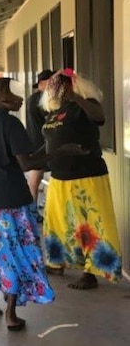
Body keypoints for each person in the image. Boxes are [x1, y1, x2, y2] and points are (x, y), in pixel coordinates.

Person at [0, 77, 83, 332]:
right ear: (2, 96)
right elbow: (27, 164)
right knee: (16, 253)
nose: (23, 99)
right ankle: (11, 313)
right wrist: (62, 150)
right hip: (11, 202)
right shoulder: (11, 124)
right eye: (17, 94)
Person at [40, 69, 123, 290]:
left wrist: (75, 96)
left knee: (89, 225)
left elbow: (100, 118)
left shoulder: (85, 104)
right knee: (58, 223)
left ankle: (90, 273)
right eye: (53, 85)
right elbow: (50, 141)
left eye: (61, 84)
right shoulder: (54, 111)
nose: (55, 89)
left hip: (86, 175)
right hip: (59, 178)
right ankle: (57, 262)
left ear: (73, 85)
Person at [25, 69, 53, 203]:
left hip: (34, 142)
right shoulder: (41, 99)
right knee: (35, 178)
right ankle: (32, 210)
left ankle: (33, 209)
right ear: (42, 83)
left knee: (35, 179)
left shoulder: (33, 98)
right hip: (40, 142)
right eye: (51, 81)